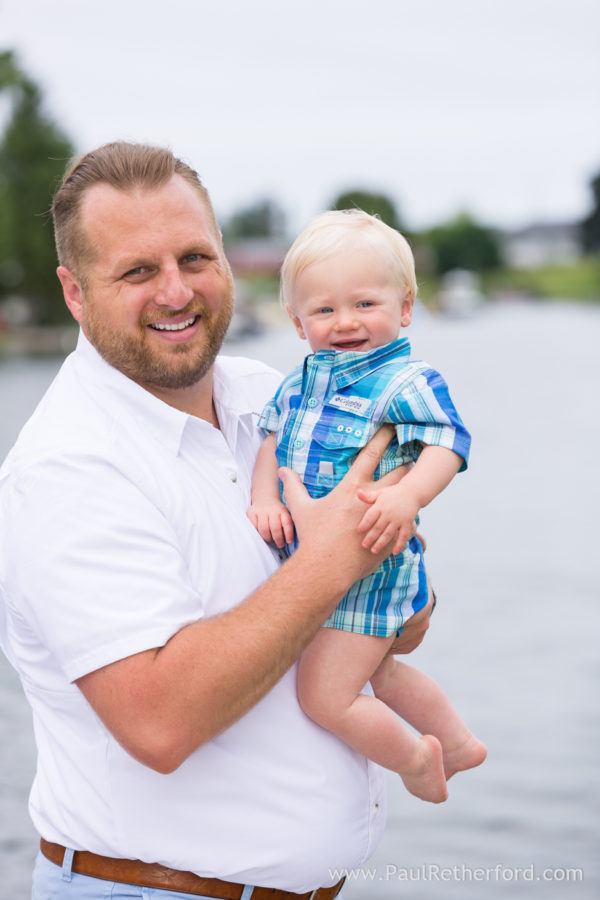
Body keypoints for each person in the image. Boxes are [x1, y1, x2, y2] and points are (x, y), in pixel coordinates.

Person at [0, 143, 434, 900]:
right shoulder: (66, 469)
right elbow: (159, 725)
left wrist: (392, 564)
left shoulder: (277, 395)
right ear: (74, 293)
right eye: (137, 271)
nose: (177, 292)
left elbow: (401, 621)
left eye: (196, 257)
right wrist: (335, 557)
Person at [248, 210, 487, 805]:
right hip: (319, 564)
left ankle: (414, 758)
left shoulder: (406, 381)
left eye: (365, 304)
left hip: (372, 563)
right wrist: (263, 497)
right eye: (324, 310)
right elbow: (272, 443)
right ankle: (455, 741)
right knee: (374, 674)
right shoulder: (295, 384)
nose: (345, 322)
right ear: (296, 320)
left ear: (406, 307)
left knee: (323, 697)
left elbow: (448, 443)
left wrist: (407, 495)